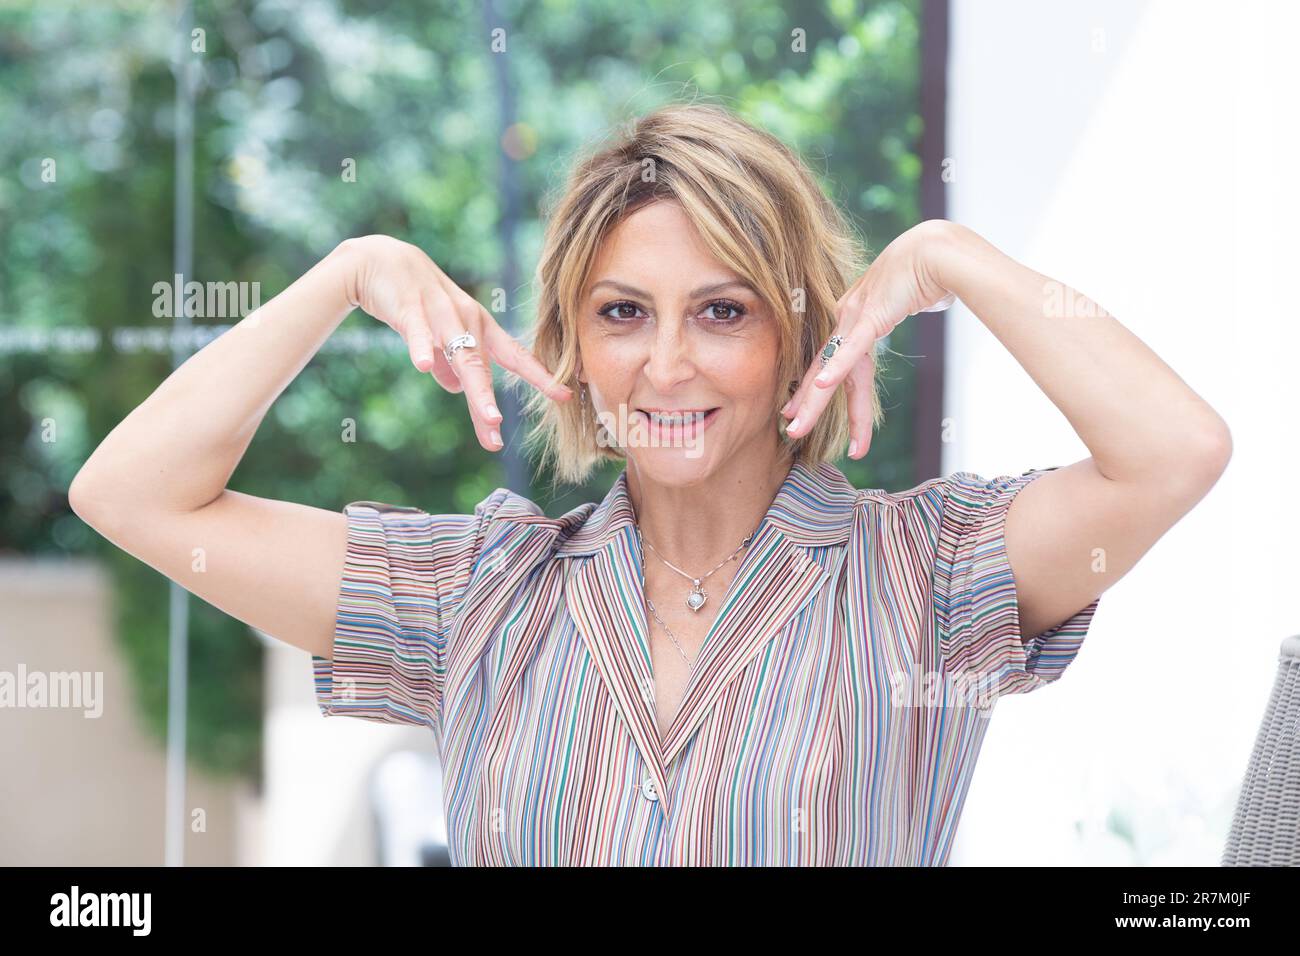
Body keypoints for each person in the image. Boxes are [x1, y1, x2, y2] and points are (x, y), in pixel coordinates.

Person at [70, 102, 1231, 865]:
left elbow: (1171, 452)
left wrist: (948, 259)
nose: (666, 362)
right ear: (571, 344)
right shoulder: (480, 590)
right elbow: (132, 494)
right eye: (623, 313)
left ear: (798, 336)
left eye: (721, 311)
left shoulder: (927, 574)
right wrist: (344, 276)